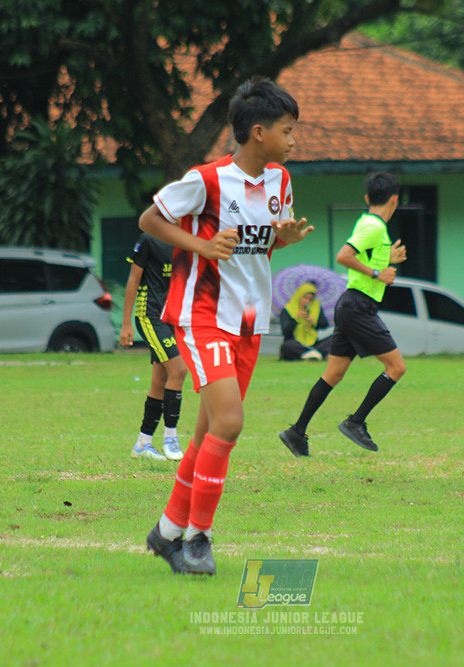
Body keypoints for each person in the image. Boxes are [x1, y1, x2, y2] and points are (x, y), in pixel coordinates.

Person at [140, 77, 312, 576]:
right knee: (230, 424)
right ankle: (198, 538)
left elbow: (263, 247)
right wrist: (201, 245)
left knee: (209, 432)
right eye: (287, 130)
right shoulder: (207, 180)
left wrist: (286, 239)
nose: (293, 139)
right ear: (258, 132)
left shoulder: (279, 181)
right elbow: (151, 220)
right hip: (203, 316)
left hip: (251, 320)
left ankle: (167, 531)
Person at [279, 171, 407, 457]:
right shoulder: (374, 227)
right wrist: (378, 272)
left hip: (351, 306)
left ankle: (296, 432)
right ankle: (356, 422)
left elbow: (360, 256)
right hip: (358, 307)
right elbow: (344, 255)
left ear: (366, 198)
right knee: (396, 367)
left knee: (334, 373)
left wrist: (386, 261)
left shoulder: (368, 223)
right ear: (395, 199)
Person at [118, 232, 187, 461]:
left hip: (172, 317)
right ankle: (171, 438)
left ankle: (143, 443)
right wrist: (126, 323)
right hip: (150, 315)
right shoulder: (150, 238)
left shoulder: (188, 238)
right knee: (178, 370)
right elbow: (132, 280)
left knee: (160, 380)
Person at [279, 282, 332, 361]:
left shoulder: (316, 307)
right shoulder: (288, 310)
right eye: (305, 298)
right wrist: (296, 319)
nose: (307, 301)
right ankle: (313, 354)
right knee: (287, 345)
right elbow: (286, 331)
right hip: (296, 343)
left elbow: (325, 325)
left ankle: (309, 354)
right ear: (299, 296)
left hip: (313, 343)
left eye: (310, 299)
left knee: (334, 338)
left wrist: (313, 321)